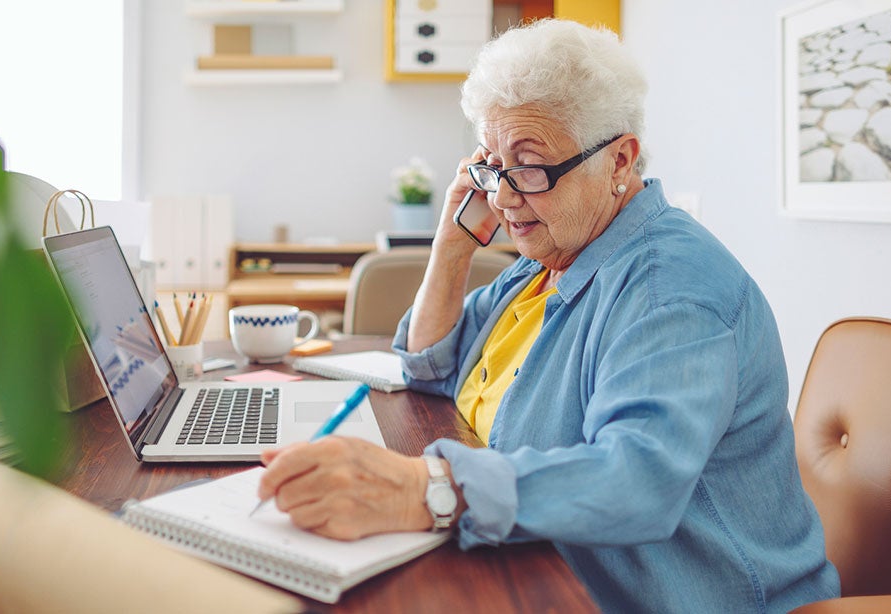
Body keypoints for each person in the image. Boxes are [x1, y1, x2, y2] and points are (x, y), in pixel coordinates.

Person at [257, 19, 840, 612]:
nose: (504, 197)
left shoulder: (671, 292)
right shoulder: (550, 260)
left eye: (530, 165)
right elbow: (429, 364)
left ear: (620, 161)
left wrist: (422, 490)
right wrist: (451, 245)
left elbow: (638, 480)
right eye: (492, 164)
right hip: (540, 568)